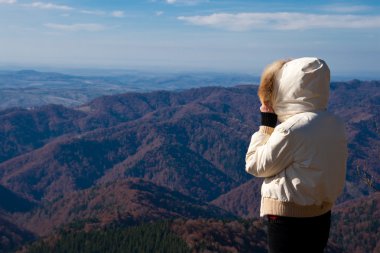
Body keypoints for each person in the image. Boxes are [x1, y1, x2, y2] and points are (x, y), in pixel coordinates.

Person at [245, 57, 348, 253]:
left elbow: (255, 165)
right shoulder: (335, 123)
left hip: (288, 217)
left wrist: (266, 126)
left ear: (287, 86)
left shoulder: (292, 129)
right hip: (322, 213)